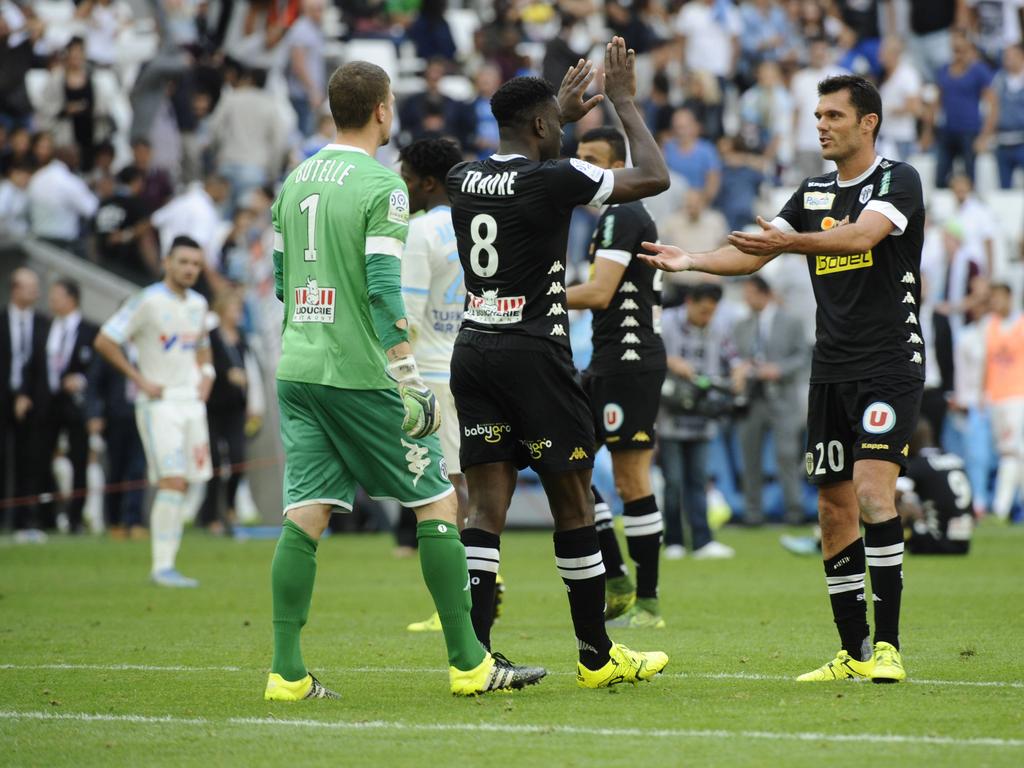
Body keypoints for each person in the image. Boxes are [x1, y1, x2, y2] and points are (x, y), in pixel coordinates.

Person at [266, 61, 545, 700]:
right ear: (383, 111)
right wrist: (405, 374)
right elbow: (383, 285)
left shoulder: (296, 179)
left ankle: (286, 673)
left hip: (300, 366)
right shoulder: (384, 186)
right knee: (437, 503)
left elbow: (283, 278)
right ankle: (471, 663)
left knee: (305, 514)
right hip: (360, 373)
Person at [642, 74, 925, 683]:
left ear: (867, 122)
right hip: (831, 370)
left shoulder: (897, 180)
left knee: (875, 494)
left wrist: (792, 240)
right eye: (817, 115)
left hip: (889, 363)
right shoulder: (814, 190)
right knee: (832, 509)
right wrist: (691, 261)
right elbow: (753, 251)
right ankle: (852, 652)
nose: (820, 124)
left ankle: (889, 647)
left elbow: (862, 235)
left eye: (833, 115)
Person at [446, 38, 670, 688]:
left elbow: (527, 159)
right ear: (544, 127)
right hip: (534, 352)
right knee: (573, 500)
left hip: (474, 350)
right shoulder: (550, 179)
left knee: (484, 507)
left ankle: (475, 660)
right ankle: (597, 656)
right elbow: (651, 178)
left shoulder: (464, 176)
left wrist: (559, 120)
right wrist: (623, 103)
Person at [565, 126, 667, 629]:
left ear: (617, 169)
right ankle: (619, 576)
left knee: (630, 479)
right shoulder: (611, 218)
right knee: (569, 462)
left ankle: (646, 600)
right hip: (608, 359)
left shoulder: (622, 213)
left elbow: (600, 292)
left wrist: (531, 297)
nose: (581, 168)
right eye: (578, 158)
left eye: (593, 160)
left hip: (629, 360)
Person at [397, 136, 496, 632]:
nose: (403, 185)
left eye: (407, 177)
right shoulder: (482, 219)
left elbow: (408, 319)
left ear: (428, 182)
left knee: (446, 486)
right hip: (485, 361)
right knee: (480, 482)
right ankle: (485, 584)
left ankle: (459, 602)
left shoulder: (420, 232)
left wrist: (398, 379)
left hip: (437, 373)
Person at [94, 236, 215, 587]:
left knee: (188, 482)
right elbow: (106, 339)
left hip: (190, 402)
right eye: (184, 262)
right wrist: (139, 380)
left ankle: (169, 562)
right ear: (167, 262)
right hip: (159, 404)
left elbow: (202, 346)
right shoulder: (146, 301)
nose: (190, 269)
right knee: (172, 479)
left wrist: (207, 376)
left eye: (195, 263)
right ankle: (162, 566)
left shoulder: (198, 303)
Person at [658, 283, 737, 561]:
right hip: (669, 414)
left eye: (711, 312)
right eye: (703, 311)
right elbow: (646, 352)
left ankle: (703, 541)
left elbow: (732, 356)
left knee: (698, 480)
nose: (707, 317)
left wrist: (738, 371)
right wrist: (670, 361)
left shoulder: (718, 327)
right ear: (689, 302)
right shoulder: (665, 322)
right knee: (674, 481)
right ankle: (674, 541)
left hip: (703, 416)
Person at [733, 276, 810, 526]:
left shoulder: (791, 321)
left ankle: (794, 511)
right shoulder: (742, 325)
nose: (745, 299)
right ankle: (753, 513)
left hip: (783, 398)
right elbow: (734, 357)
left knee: (787, 456)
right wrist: (741, 368)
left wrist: (778, 369)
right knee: (750, 457)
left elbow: (803, 357)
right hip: (751, 399)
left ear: (763, 293)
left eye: (749, 293)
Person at [38, 279, 98, 534]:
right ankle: (46, 516)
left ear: (72, 298)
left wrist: (82, 380)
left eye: (57, 295)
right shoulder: (45, 327)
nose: (51, 300)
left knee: (79, 460)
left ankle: (75, 518)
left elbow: (98, 368)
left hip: (78, 405)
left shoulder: (90, 330)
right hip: (48, 403)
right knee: (41, 457)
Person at [0, 268, 51, 540]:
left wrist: (25, 395)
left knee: (29, 462)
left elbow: (43, 367)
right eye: (30, 287)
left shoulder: (44, 323)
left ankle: (24, 521)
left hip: (32, 403)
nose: (36, 292)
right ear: (14, 289)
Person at [198, 291, 251, 535]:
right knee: (214, 462)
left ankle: (229, 507)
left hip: (235, 408)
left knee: (239, 458)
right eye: (234, 309)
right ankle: (210, 515)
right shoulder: (210, 337)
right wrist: (225, 374)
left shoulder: (241, 338)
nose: (238, 314)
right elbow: (204, 364)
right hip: (212, 406)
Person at [898, 422, 974, 555]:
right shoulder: (955, 459)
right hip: (963, 542)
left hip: (935, 541)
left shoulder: (918, 464)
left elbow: (891, 494)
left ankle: (886, 541)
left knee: (900, 500)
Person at [982, 282, 1024, 522]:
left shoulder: (1021, 325)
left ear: (1010, 298)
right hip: (996, 396)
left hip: (1017, 396)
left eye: (999, 298)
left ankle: (1001, 506)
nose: (995, 303)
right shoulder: (991, 326)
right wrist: (982, 393)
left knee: (1010, 451)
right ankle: (1016, 505)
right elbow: (986, 362)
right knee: (1013, 451)